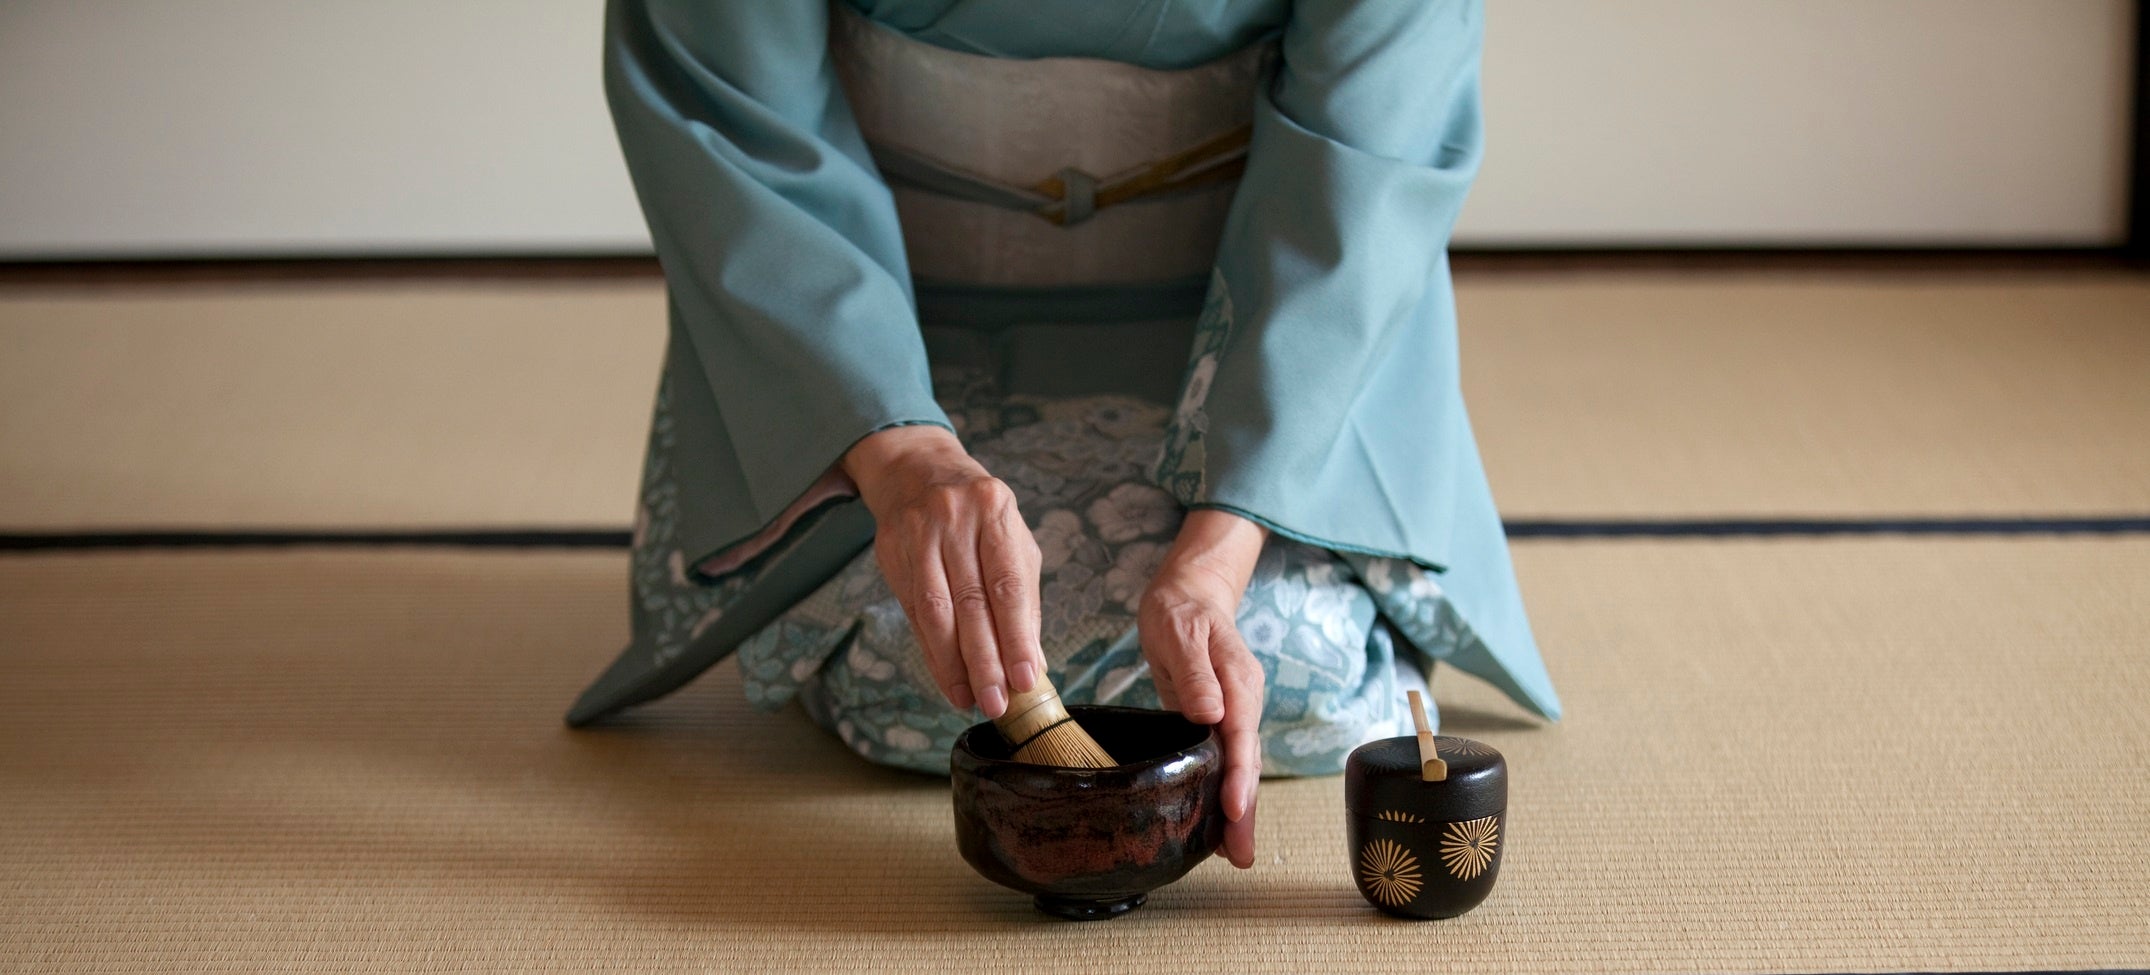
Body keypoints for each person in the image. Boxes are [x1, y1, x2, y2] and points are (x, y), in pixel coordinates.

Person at [569, 0, 1561, 871]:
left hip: (1246, 328)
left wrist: (1218, 551)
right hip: (891, 325)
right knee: (924, 671)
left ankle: (1255, 516)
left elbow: (1370, 156)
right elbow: (730, 110)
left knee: (1281, 663)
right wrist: (905, 457)